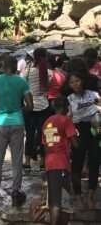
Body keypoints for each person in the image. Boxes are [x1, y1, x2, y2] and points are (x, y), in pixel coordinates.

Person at [0, 56, 33, 208]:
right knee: (17, 160)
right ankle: (16, 193)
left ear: (4, 66)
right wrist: (17, 110)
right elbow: (30, 106)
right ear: (15, 66)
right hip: (17, 122)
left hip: (0, 123)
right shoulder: (21, 81)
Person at [42, 96, 78, 225]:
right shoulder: (66, 120)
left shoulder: (47, 121)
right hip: (62, 163)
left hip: (50, 163)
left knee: (53, 199)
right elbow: (75, 143)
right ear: (66, 107)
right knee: (61, 200)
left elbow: (45, 145)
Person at [67, 72, 101, 209]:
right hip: (78, 131)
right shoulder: (69, 99)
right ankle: (78, 195)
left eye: (77, 80)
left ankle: (91, 195)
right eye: (72, 82)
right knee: (77, 164)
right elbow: (68, 117)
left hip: (94, 130)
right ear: (69, 85)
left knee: (95, 160)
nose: (75, 84)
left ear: (83, 81)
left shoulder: (92, 94)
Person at [24, 48, 51, 170]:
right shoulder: (47, 71)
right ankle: (42, 162)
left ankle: (27, 162)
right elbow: (48, 87)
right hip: (43, 105)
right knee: (43, 134)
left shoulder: (28, 70)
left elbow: (23, 84)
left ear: (34, 56)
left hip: (29, 105)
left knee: (29, 134)